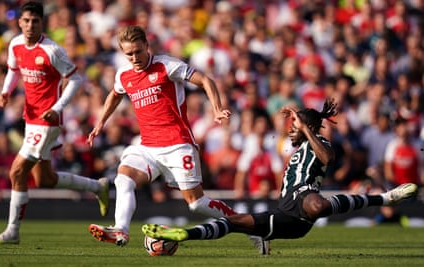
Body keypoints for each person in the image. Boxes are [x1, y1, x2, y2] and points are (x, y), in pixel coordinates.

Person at [142, 98, 418, 253]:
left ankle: (385, 198)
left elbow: (328, 159)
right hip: (286, 215)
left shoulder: (322, 146)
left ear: (308, 127)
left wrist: (305, 125)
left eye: (295, 126)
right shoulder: (294, 149)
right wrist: (298, 121)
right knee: (234, 222)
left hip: (307, 203)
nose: (290, 130)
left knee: (318, 203)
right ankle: (182, 236)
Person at [87, 25, 239, 249]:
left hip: (177, 144)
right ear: (122, 52)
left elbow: (206, 80)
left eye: (138, 51)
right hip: (147, 146)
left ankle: (246, 223)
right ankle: (121, 229)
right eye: (129, 53)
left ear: (147, 46)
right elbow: (115, 94)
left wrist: (216, 109)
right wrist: (101, 122)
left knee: (196, 204)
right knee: (123, 178)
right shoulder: (124, 74)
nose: (135, 57)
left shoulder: (166, 65)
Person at [0, 1, 109, 245]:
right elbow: (13, 70)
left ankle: (12, 232)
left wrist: (56, 108)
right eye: (26, 20)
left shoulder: (52, 51)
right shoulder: (16, 44)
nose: (30, 25)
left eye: (35, 21)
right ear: (19, 22)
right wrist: (6, 91)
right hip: (30, 119)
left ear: (43, 23)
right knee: (45, 180)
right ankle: (97, 186)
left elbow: (76, 80)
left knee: (17, 171)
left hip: (47, 121)